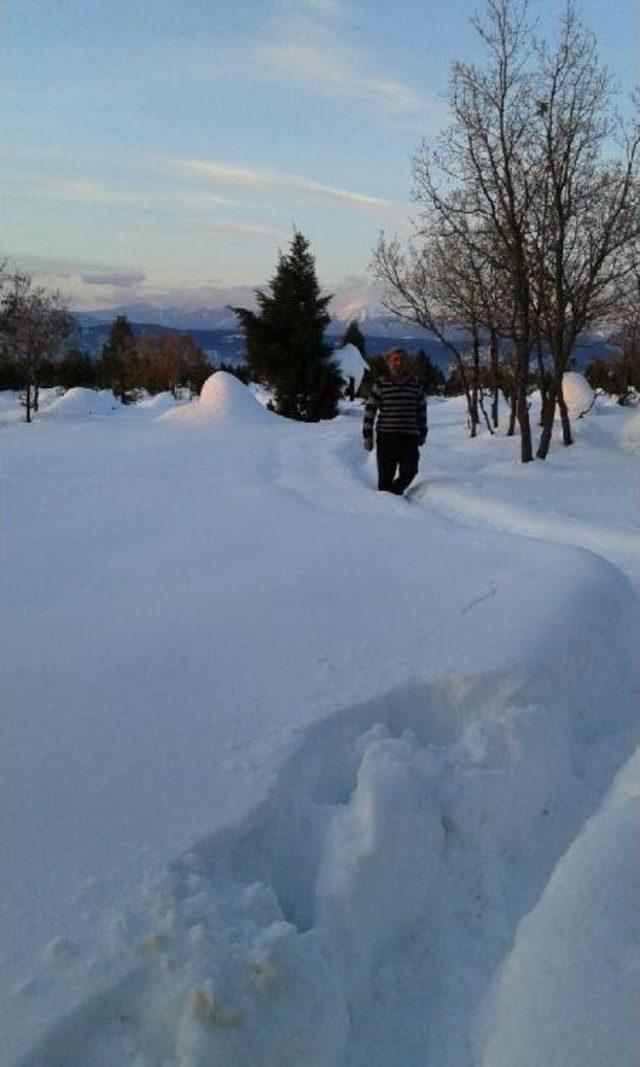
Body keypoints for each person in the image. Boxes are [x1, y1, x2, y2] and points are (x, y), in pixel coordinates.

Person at [363, 347, 427, 494]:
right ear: (388, 362)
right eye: (395, 359)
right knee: (385, 481)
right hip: (386, 438)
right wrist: (367, 436)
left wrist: (423, 431)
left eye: (402, 360)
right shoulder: (381, 383)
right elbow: (370, 410)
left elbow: (421, 409)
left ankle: (393, 496)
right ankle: (388, 508)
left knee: (410, 472)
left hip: (409, 437)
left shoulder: (415, 384)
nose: (399, 363)